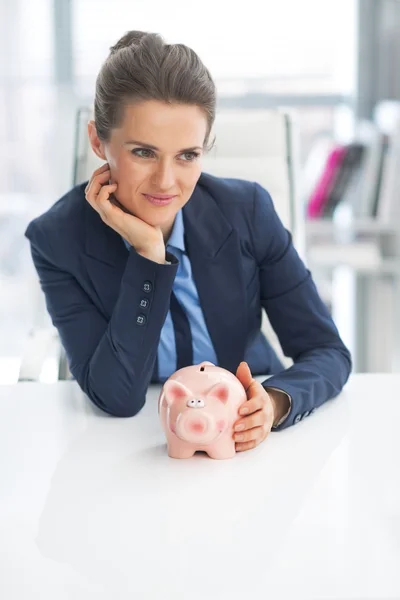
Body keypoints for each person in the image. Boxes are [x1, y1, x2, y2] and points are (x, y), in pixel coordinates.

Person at [25, 30, 352, 453]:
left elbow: (327, 351)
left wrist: (272, 404)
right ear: (97, 141)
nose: (166, 181)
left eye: (187, 155)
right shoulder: (58, 239)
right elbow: (117, 398)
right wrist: (149, 256)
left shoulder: (247, 210)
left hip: (242, 443)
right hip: (122, 449)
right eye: (143, 152)